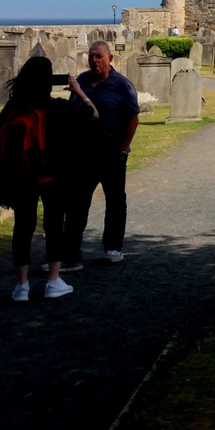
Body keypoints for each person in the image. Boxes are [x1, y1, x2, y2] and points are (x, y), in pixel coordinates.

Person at [0, 57, 98, 301]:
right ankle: (53, 281)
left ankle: (21, 286)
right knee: (53, 225)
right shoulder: (57, 106)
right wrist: (79, 92)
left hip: (20, 174)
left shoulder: (13, 107)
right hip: (52, 174)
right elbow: (92, 115)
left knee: (23, 226)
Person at [62, 41, 140, 266]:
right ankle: (71, 252)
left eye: (99, 56)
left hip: (111, 152)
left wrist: (123, 148)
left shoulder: (122, 86)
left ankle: (113, 246)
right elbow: (73, 110)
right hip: (83, 153)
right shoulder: (83, 81)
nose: (94, 60)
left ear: (110, 59)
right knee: (77, 203)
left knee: (115, 201)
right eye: (91, 56)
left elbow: (133, 118)